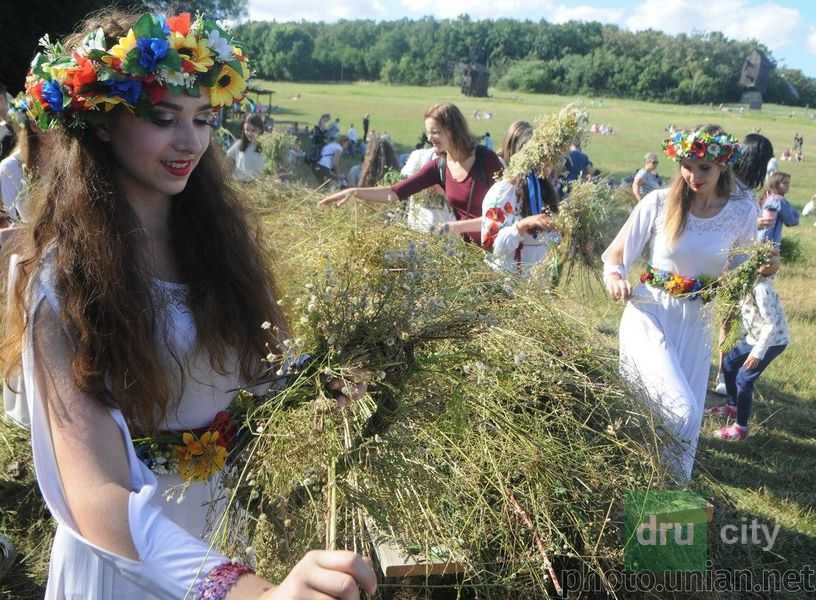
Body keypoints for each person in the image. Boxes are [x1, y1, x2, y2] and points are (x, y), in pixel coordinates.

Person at [1, 10, 376, 599]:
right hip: (132, 561)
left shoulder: (223, 252)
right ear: (101, 125)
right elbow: (95, 495)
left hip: (217, 529)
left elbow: (265, 381)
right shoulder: (62, 282)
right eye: (163, 118)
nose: (191, 142)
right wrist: (254, 594)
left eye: (204, 118)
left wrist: (338, 373)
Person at [602, 125, 776, 483]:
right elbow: (616, 255)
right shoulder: (658, 203)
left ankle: (664, 495)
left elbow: (744, 267)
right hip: (650, 314)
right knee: (678, 410)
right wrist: (616, 277)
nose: (693, 176)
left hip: (697, 322)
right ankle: (644, 481)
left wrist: (766, 266)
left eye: (704, 169)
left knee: (688, 420)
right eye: (687, 165)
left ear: (723, 167)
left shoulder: (741, 211)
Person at [320, 103, 503, 245]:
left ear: (453, 130)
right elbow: (395, 192)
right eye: (428, 133)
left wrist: (453, 227)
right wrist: (354, 192)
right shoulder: (438, 166)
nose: (429, 138)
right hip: (468, 254)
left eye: (435, 132)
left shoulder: (486, 160)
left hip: (498, 252)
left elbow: (503, 214)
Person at [705, 275, 789, 441]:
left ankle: (740, 428)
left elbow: (770, 324)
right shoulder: (742, 285)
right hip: (753, 338)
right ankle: (733, 406)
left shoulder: (760, 289)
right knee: (729, 363)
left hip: (772, 341)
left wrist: (757, 353)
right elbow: (747, 316)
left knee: (744, 379)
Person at [481, 121, 560, 274]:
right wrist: (521, 226)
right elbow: (492, 246)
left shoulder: (544, 189)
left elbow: (549, 241)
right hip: (509, 286)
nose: (548, 162)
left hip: (537, 286)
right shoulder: (503, 192)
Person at [758, 171, 799, 246]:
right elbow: (791, 221)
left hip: (758, 238)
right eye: (785, 183)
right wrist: (796, 214)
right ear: (776, 184)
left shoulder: (768, 197)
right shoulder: (778, 200)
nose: (788, 185)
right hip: (769, 241)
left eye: (788, 183)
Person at [226, 114, 265, 182]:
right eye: (247, 130)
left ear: (260, 130)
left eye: (253, 130)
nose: (249, 133)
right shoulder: (239, 144)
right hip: (239, 185)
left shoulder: (266, 148)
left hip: (258, 187)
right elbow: (228, 159)